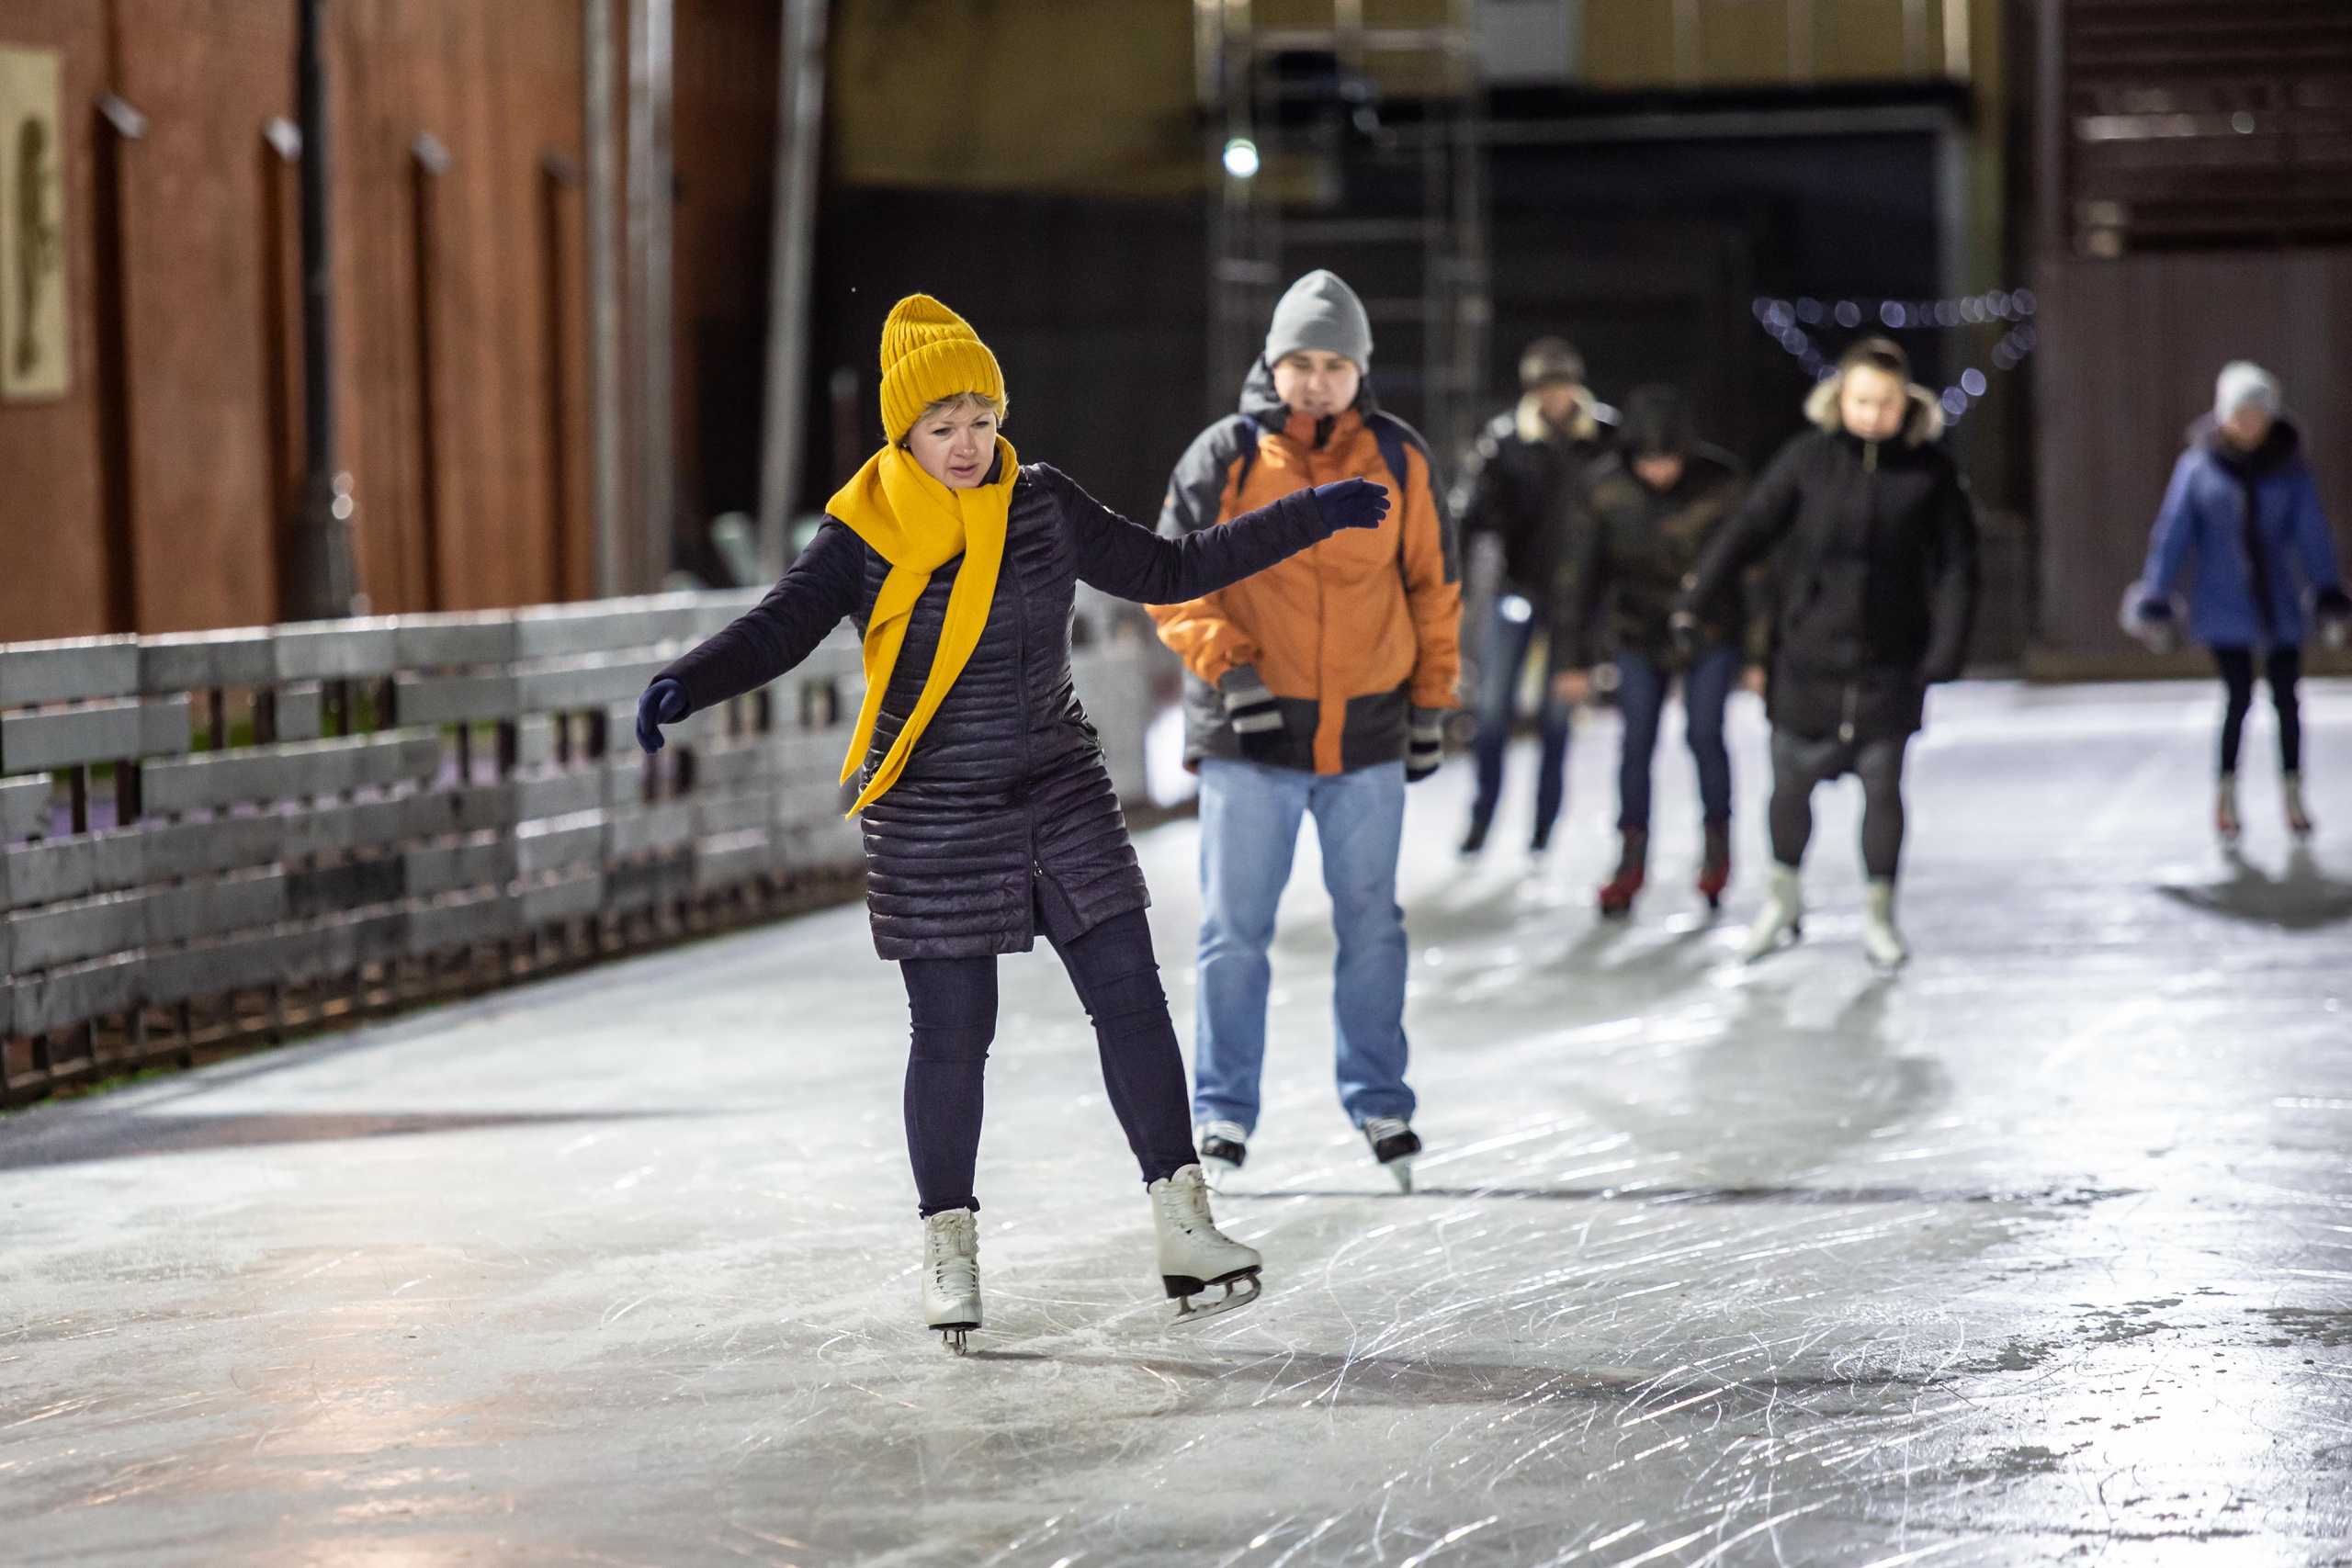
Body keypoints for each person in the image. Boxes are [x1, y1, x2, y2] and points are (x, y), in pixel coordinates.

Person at [636, 296, 1394, 1351]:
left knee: (1131, 1000)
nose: (967, 444)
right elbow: (780, 628)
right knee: (953, 1037)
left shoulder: (1041, 504)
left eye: (981, 419)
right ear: (904, 433)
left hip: (1056, 786)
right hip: (930, 809)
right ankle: (950, 1255)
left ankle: (1186, 1227)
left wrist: (1309, 514)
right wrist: (688, 680)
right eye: (943, 425)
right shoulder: (863, 533)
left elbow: (1167, 571)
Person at [1150, 269, 1462, 1192]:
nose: (1316, 381)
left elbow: (1432, 587)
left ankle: (1378, 1099)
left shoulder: (1399, 459)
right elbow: (1173, 580)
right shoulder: (1225, 456)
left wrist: (1433, 703)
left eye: (1334, 364)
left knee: (1373, 926)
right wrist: (1232, 669)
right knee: (1233, 933)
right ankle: (1221, 1113)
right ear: (1272, 365)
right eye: (1300, 363)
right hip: (1252, 739)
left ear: (1359, 369)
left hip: (1365, 734)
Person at [1679, 337, 1978, 970]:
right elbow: (1749, 528)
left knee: (1883, 787)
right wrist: (1698, 598)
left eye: (1886, 403)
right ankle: (1781, 900)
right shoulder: (1807, 459)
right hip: (1808, 657)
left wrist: (1946, 647)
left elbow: (1957, 565)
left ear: (1907, 405)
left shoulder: (1929, 472)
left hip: (1890, 662)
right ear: (1840, 398)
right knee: (1789, 785)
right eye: (1861, 400)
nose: (1872, 414)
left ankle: (1879, 914)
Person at [1549, 385, 1763, 918]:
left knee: (1704, 734)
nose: (1659, 473)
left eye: (1668, 460)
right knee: (1636, 741)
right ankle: (1630, 860)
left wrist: (1759, 654)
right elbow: (1576, 578)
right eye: (1647, 461)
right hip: (1637, 632)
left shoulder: (1723, 484)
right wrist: (1570, 657)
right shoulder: (1602, 491)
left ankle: (1717, 853)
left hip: (1710, 630)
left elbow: (1756, 572)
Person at [2126, 361, 2348, 841]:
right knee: (2238, 697)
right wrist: (2157, 596)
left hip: (2278, 604)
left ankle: (2293, 793)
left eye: (2258, 414)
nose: (2249, 424)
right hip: (2223, 603)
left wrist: (2327, 590)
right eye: (2240, 413)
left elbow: (2312, 535)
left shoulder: (2289, 469)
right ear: (2224, 415)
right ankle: (2226, 795)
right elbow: (2174, 534)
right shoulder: (2198, 468)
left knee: (2288, 699)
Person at [1453, 337, 1617, 856]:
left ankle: (1544, 826)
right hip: (1518, 591)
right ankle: (1483, 817)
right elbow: (1470, 517)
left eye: (1561, 385)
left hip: (1578, 604)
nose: (1554, 397)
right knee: (1493, 711)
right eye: (1544, 387)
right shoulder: (1504, 441)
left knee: (1557, 717)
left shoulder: (1607, 436)